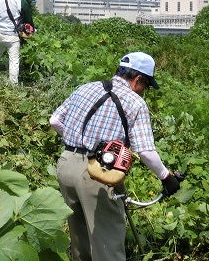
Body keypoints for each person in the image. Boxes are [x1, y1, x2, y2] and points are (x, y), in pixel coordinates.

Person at [49, 52, 181, 261]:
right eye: (145, 86)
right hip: (98, 173)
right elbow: (145, 151)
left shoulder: (85, 88)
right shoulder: (135, 103)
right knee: (107, 247)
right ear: (138, 79)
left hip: (66, 165)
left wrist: (80, 142)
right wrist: (167, 177)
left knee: (80, 239)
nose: (144, 91)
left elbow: (55, 120)